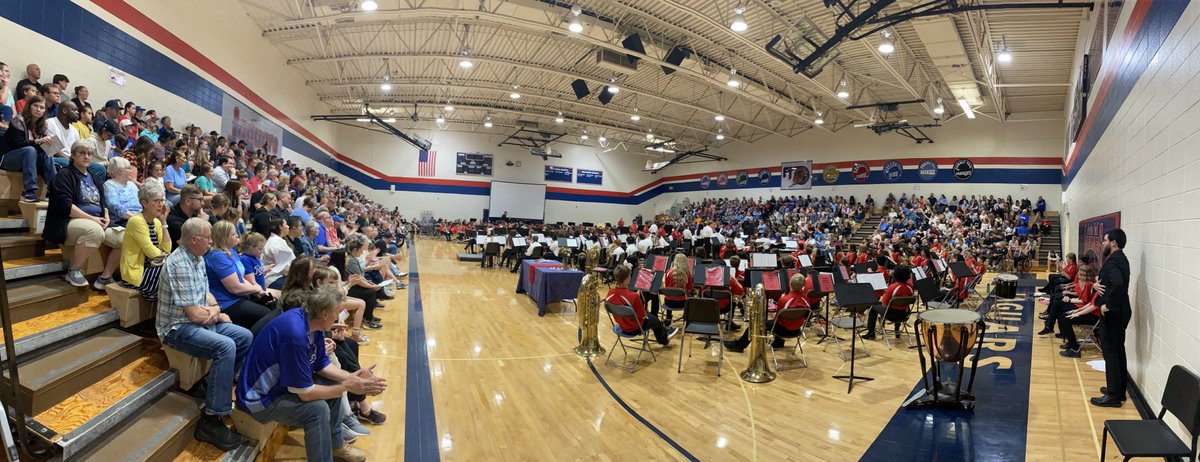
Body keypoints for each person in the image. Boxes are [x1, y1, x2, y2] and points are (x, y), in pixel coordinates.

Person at [236, 286, 384, 462]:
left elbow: (321, 364)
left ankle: (336, 446)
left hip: (279, 387)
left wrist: (351, 377)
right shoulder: (295, 335)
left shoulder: (312, 322)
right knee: (317, 409)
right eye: (337, 311)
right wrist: (346, 386)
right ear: (324, 313)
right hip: (259, 400)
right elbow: (305, 394)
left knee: (332, 387)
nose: (339, 316)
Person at [157, 217, 252, 451]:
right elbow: (195, 316)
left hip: (199, 320)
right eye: (208, 237)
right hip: (177, 328)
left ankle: (209, 385)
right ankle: (211, 419)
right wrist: (218, 313)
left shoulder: (197, 256)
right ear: (193, 239)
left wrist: (216, 309)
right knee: (226, 346)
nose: (211, 241)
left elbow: (207, 294)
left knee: (244, 337)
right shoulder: (180, 264)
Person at [44, 141, 122, 288]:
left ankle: (105, 277)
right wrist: (93, 219)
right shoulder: (64, 175)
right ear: (73, 155)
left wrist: (106, 216)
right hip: (68, 221)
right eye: (82, 153)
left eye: (89, 153)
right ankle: (73, 270)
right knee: (94, 230)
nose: (87, 156)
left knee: (127, 238)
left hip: (98, 220)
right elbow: (66, 206)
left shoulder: (94, 177)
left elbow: (102, 202)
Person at [206, 220, 273, 330]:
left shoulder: (231, 251)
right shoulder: (217, 256)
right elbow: (235, 288)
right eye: (233, 234)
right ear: (223, 237)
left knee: (271, 304)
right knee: (267, 315)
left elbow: (241, 278)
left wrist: (257, 290)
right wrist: (255, 288)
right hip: (227, 302)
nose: (237, 235)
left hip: (240, 296)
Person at [1090, 229, 1131, 408]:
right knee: (1118, 351)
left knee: (1111, 354)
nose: (1103, 244)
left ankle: (1113, 397)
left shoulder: (1114, 261)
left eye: (1105, 241)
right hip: (1121, 312)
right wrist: (1096, 285)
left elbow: (1118, 284)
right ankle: (1118, 391)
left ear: (1113, 242)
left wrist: (1108, 305)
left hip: (1114, 313)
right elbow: (1112, 283)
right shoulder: (1121, 259)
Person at [725, 273, 809, 352]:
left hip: (783, 330)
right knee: (779, 321)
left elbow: (778, 319)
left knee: (754, 325)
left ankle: (740, 345)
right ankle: (778, 342)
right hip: (797, 330)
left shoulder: (784, 299)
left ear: (790, 283)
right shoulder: (806, 299)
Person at [121, 182, 171, 301]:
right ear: (144, 203)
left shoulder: (157, 222)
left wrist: (164, 222)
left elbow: (167, 249)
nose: (160, 205)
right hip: (137, 274)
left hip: (153, 268)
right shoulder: (136, 221)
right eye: (156, 201)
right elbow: (152, 253)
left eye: (162, 201)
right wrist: (164, 258)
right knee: (173, 269)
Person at [605, 264, 678, 345]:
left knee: (649, 315)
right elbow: (642, 315)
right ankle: (664, 340)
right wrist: (637, 298)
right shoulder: (634, 296)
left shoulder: (609, 293)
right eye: (630, 276)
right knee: (655, 320)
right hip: (635, 327)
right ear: (626, 279)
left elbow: (622, 301)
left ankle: (666, 331)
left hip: (621, 325)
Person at [1, 95, 56, 202]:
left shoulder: (42, 126)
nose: (38, 109)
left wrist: (49, 145)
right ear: (29, 106)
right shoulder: (18, 120)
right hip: (9, 158)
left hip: (29, 161)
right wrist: (37, 141)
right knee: (30, 150)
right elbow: (18, 144)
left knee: (46, 152)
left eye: (42, 107)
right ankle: (28, 191)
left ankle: (53, 190)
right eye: (35, 106)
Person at [862, 266, 916, 340]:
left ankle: (871, 333)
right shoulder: (911, 287)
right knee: (900, 306)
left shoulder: (892, 287)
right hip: (904, 315)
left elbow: (884, 306)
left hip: (892, 315)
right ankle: (897, 330)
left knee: (873, 307)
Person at [1057, 265, 1098, 357]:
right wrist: (1076, 311)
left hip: (1094, 317)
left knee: (1065, 319)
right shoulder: (1096, 290)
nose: (1096, 279)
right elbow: (1090, 304)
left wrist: (1077, 313)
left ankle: (1074, 349)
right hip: (1089, 312)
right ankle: (1072, 343)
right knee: (1064, 316)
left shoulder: (1094, 288)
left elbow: (1092, 306)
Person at [345, 235, 383, 330]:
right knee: (370, 293)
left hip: (353, 284)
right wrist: (372, 287)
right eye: (360, 250)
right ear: (355, 250)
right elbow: (359, 280)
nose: (362, 252)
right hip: (349, 288)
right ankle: (368, 319)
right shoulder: (351, 261)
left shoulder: (354, 259)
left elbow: (360, 276)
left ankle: (368, 316)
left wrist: (369, 283)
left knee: (370, 290)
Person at [263, 217, 296, 289]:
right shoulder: (276, 243)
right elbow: (284, 266)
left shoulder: (278, 240)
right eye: (286, 224)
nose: (288, 227)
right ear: (280, 227)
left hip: (281, 275)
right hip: (274, 278)